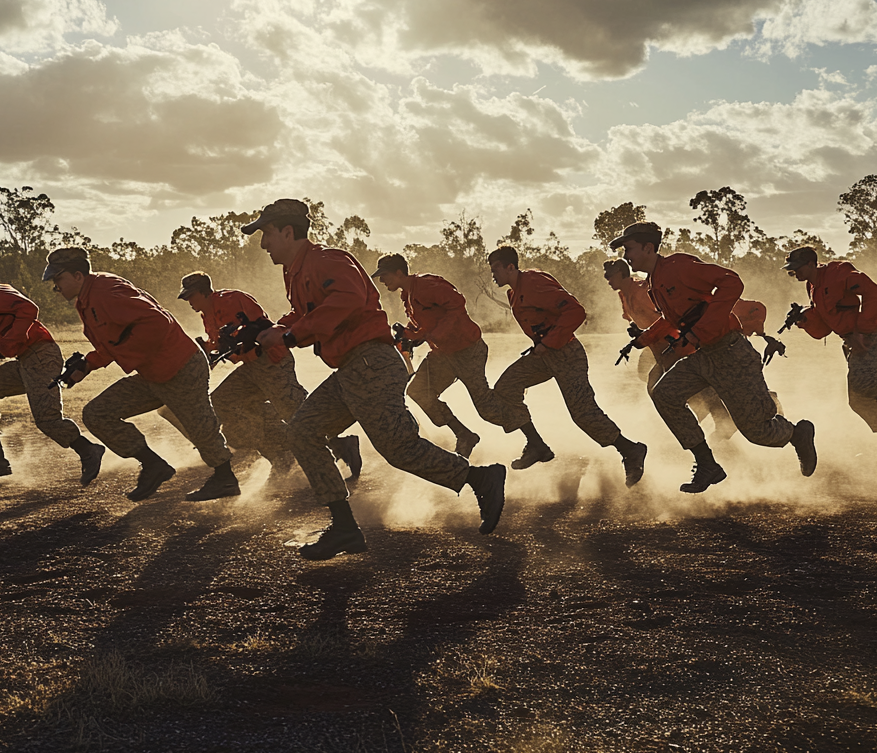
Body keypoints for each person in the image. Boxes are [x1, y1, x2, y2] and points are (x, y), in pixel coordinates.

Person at [243, 199, 506, 560]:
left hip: (370, 363)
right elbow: (312, 314)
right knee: (302, 431)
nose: (263, 243)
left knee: (399, 449)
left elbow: (347, 300)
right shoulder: (297, 270)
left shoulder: (326, 260)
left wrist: (289, 336)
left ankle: (481, 479)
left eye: (267, 233)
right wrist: (275, 329)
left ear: (288, 232)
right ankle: (345, 529)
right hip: (353, 369)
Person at [612, 222, 816, 492]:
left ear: (648, 248)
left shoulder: (678, 267)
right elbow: (674, 319)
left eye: (629, 249)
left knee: (758, 432)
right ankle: (707, 464)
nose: (626, 256)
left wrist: (704, 327)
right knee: (664, 394)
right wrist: (644, 338)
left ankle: (796, 433)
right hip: (704, 356)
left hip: (731, 352)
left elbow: (732, 282)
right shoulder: (654, 283)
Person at [42, 247, 239, 502]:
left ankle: (225, 478)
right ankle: (153, 465)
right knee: (97, 413)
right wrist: (86, 365)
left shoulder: (105, 292)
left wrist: (126, 355)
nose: (55, 287)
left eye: (58, 279)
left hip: (180, 366)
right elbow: (112, 342)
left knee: (199, 425)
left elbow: (157, 323)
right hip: (153, 373)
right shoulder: (87, 298)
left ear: (78, 276)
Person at [488, 247, 647, 484]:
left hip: (565, 353)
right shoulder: (514, 293)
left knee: (583, 413)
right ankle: (536, 445)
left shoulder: (533, 283)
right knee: (506, 387)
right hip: (544, 355)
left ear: (510, 267)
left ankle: (630, 450)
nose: (493, 275)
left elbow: (576, 311)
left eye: (496, 269)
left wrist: (550, 342)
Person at [177, 271, 360, 477]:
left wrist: (238, 338)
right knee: (220, 402)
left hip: (272, 360)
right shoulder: (206, 315)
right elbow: (225, 345)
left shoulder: (230, 300)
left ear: (203, 293)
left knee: (296, 413)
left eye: (190, 296)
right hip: (252, 369)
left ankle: (341, 444)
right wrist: (209, 349)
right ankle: (279, 453)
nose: (188, 301)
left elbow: (257, 327)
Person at [0, 260, 106, 485]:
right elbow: (12, 328)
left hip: (41, 356)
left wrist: (3, 343)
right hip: (26, 360)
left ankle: (88, 450)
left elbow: (29, 310)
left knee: (46, 419)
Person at [783, 246, 877, 474]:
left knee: (863, 384)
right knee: (858, 401)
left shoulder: (839, 273)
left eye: (796, 268)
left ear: (810, 264)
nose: (793, 273)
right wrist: (804, 318)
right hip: (851, 342)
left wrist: (863, 330)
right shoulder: (812, 286)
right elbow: (824, 327)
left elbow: (871, 290)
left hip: (869, 338)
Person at [372, 253, 520, 458]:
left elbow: (457, 304)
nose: (381, 280)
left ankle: (533, 438)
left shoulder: (426, 285)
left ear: (399, 273)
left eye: (385, 275)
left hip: (467, 349)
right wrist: (409, 335)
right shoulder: (407, 294)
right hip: (443, 353)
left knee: (485, 406)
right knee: (419, 391)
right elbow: (423, 324)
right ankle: (464, 435)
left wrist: (431, 335)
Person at [604, 258, 736, 438]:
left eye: (609, 276)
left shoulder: (641, 291)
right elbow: (638, 318)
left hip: (676, 344)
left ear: (621, 273)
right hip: (657, 347)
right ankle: (707, 419)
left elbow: (668, 318)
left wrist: (648, 336)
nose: (608, 280)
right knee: (660, 382)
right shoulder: (624, 294)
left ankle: (707, 422)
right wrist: (639, 332)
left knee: (667, 385)